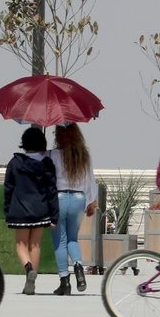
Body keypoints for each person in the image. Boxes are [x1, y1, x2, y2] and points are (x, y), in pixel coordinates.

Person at [4, 127, 59, 295]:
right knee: (35, 245)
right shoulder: (47, 164)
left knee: (21, 245)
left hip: (19, 209)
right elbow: (51, 191)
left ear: (24, 143)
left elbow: (8, 188)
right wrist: (54, 215)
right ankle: (32, 281)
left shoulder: (14, 163)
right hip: (41, 210)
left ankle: (28, 270)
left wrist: (7, 209)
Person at [49, 123, 98, 296]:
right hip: (78, 198)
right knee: (73, 239)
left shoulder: (53, 155)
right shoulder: (85, 155)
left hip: (59, 198)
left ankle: (65, 281)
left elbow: (49, 180)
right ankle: (78, 266)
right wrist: (90, 202)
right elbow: (90, 180)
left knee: (59, 242)